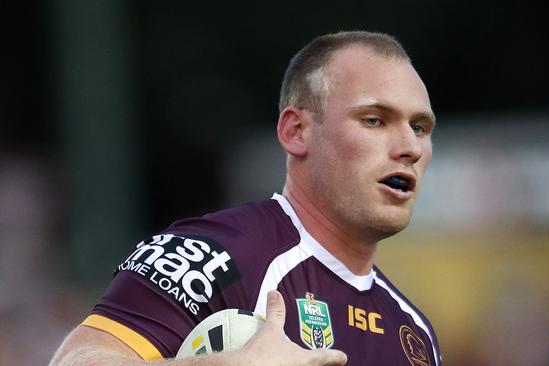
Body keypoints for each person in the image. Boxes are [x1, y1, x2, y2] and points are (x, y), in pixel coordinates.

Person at [50, 30, 442, 366]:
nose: (410, 146)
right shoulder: (209, 254)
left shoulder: (415, 333)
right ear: (296, 131)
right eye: (374, 120)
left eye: (420, 127)